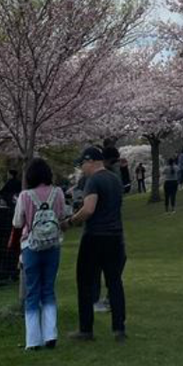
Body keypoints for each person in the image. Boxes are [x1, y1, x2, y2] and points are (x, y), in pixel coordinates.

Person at [64, 146, 128, 342]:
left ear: (90, 161)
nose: (82, 169)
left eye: (82, 164)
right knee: (114, 281)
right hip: (115, 236)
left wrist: (71, 221)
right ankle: (119, 329)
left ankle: (86, 330)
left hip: (95, 236)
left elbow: (89, 209)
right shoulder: (115, 179)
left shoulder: (94, 180)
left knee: (85, 281)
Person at [12, 157, 66, 351]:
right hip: (53, 245)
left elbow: (18, 223)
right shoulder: (58, 193)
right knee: (49, 290)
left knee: (32, 291)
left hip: (31, 247)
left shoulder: (25, 196)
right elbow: (61, 216)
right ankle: (51, 334)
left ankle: (33, 340)